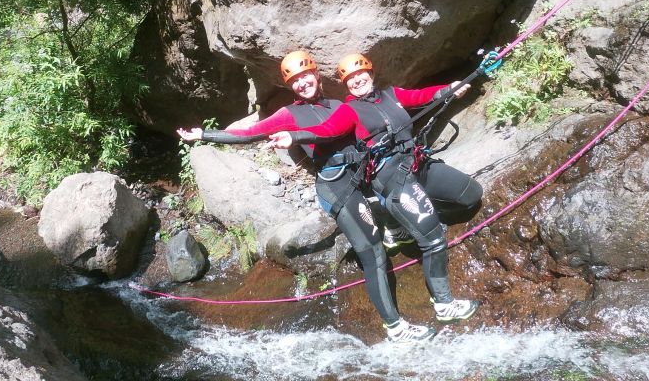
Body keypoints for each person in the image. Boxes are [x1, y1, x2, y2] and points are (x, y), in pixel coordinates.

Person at [178, 50, 436, 342]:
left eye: (305, 76)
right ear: (291, 87)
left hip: (359, 177)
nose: (302, 83)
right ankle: (396, 329)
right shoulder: (289, 115)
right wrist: (204, 135)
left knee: (392, 192)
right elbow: (251, 133)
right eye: (295, 81)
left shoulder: (340, 104)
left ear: (316, 75)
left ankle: (391, 226)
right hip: (337, 187)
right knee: (373, 252)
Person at [268, 53, 481, 325]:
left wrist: (447, 89)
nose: (357, 81)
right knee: (432, 237)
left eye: (361, 75)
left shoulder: (391, 94)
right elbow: (327, 131)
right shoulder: (348, 109)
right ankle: (443, 304)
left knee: (471, 194)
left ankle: (400, 221)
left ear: (371, 73)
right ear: (344, 84)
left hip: (417, 163)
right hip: (391, 177)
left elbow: (420, 97)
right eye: (350, 79)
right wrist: (294, 135)